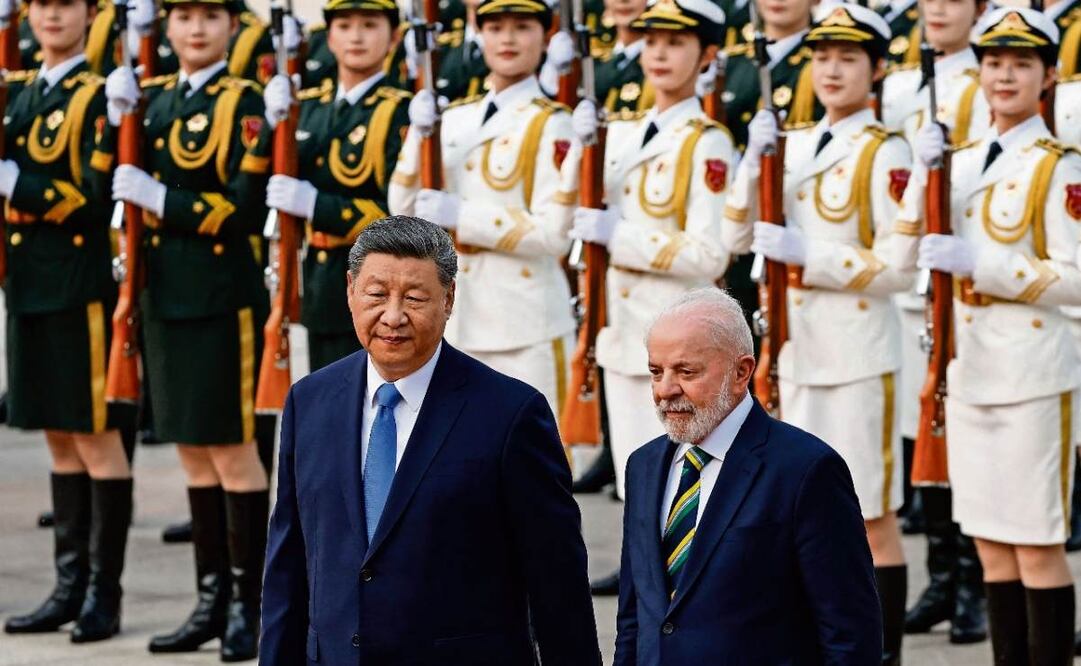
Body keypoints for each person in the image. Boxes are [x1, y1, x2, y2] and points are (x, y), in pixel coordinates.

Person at [260, 215, 601, 665]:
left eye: (415, 298)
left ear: (449, 299)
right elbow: (289, 567)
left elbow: (557, 585)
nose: (393, 316)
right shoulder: (311, 402)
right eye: (377, 294)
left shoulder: (510, 415)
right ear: (350, 290)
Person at [723, 6, 912, 661]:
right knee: (794, 516)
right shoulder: (795, 141)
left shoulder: (886, 151)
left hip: (856, 353)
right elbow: (733, 238)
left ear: (876, 68)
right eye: (821, 57)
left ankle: (878, 653)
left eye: (847, 58)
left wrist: (808, 254)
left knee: (867, 517)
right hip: (794, 351)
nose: (830, 70)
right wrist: (753, 161)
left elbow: (898, 269)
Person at [900, 7, 1081, 662]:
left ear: (1048, 75)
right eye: (993, 64)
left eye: (1020, 64)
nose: (1004, 76)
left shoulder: (1058, 166)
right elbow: (908, 249)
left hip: (1032, 373)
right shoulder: (960, 160)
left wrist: (986, 267)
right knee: (990, 547)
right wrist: (920, 176)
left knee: (1035, 547)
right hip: (967, 371)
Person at [103, 0, 271, 658]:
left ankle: (248, 605)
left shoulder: (248, 101)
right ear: (165, 27)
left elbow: (241, 209)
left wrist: (160, 199)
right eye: (182, 16)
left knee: (232, 452)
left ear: (234, 26)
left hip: (218, 297)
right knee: (194, 456)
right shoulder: (154, 96)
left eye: (210, 15)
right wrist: (116, 117)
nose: (195, 28)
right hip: (163, 294)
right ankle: (210, 601)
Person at [565, 0, 735, 595]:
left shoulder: (707, 143)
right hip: (623, 334)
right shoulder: (624, 132)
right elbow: (574, 214)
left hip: (680, 340)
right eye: (651, 41)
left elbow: (709, 254)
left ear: (707, 56)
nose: (658, 53)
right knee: (641, 487)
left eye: (676, 42)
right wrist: (576, 148)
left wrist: (623, 238)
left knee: (685, 486)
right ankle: (645, 594)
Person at [615, 288, 882, 665]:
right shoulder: (642, 466)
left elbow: (850, 633)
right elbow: (634, 619)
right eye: (656, 372)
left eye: (686, 371)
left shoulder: (806, 470)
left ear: (741, 372)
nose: (664, 390)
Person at [0, 0, 134, 644]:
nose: (52, 16)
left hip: (77, 284)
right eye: (41, 4)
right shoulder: (17, 89)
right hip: (27, 284)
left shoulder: (98, 93)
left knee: (95, 436)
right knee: (57, 435)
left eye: (66, 4)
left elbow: (92, 197)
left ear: (90, 14)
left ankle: (103, 596)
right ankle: (67, 585)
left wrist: (16, 185)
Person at [388, 0, 577, 422]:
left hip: (525, 323)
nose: (507, 38)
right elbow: (400, 207)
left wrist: (461, 216)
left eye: (522, 27)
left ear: (544, 37)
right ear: (479, 33)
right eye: (495, 27)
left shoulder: (554, 123)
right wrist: (417, 138)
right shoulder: (453, 117)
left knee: (534, 470)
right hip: (455, 319)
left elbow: (553, 234)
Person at [880, 0, 990, 646]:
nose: (939, 10)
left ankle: (975, 583)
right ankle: (941, 578)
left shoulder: (1000, 75)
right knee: (927, 435)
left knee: (970, 436)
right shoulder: (897, 84)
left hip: (972, 279)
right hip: (910, 281)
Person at [259, 0, 411, 373]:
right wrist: (269, 124)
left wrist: (316, 206)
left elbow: (397, 212)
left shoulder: (400, 111)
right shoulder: (308, 106)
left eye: (369, 25)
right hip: (320, 282)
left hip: (379, 283)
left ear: (393, 37)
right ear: (328, 37)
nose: (356, 36)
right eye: (344, 26)